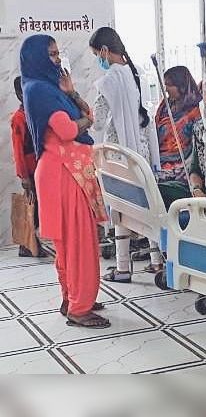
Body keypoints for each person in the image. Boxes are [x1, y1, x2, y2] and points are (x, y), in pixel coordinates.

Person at [20, 34, 109, 328]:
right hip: (63, 174)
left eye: (58, 53)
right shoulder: (40, 90)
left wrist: (71, 93)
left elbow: (86, 114)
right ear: (37, 58)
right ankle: (79, 308)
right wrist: (86, 122)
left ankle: (72, 297)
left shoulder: (47, 87)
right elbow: (69, 130)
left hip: (62, 171)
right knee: (78, 243)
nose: (58, 59)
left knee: (70, 244)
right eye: (52, 54)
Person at [88, 26, 164, 282]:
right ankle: (156, 262)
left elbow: (98, 122)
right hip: (140, 152)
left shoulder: (109, 80)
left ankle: (123, 267)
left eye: (96, 54)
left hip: (119, 155)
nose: (98, 60)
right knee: (148, 206)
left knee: (120, 209)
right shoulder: (136, 73)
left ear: (104, 50)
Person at [10, 76, 46, 257]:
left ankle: (30, 244)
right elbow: (18, 149)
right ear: (19, 94)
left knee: (38, 205)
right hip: (30, 168)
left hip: (40, 166)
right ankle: (27, 245)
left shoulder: (33, 112)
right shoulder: (18, 118)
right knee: (32, 206)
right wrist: (23, 176)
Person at [155, 65, 202, 183]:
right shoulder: (165, 105)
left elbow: (198, 144)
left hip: (183, 163)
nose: (166, 89)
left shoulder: (196, 111)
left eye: (169, 85)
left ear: (182, 86)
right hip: (159, 159)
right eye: (165, 85)